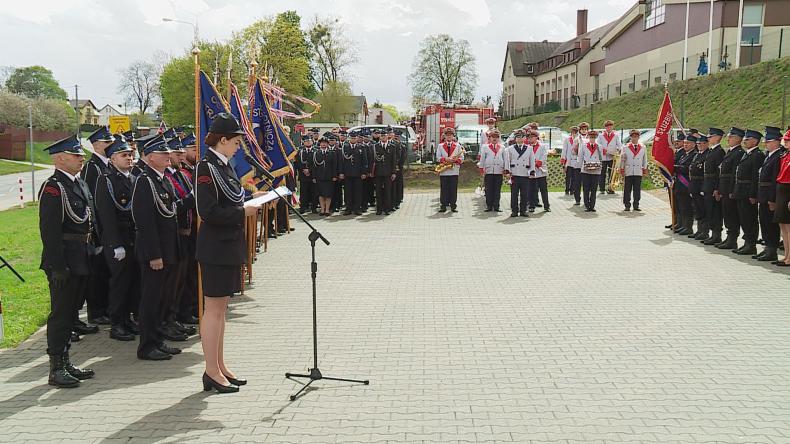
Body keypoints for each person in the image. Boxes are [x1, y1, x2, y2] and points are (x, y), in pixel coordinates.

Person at [195, 113, 261, 393]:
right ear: (221, 140)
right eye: (235, 141)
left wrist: (249, 199)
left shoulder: (223, 165)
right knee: (213, 311)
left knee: (221, 311)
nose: (238, 147)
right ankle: (210, 370)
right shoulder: (206, 168)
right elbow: (207, 211)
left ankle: (219, 365)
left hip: (228, 245)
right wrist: (241, 211)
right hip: (215, 247)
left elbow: (231, 197)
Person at [39, 135, 96, 388]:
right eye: (76, 155)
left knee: (72, 313)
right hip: (63, 259)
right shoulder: (53, 187)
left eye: (81, 155)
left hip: (81, 255)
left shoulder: (79, 184)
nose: (81, 159)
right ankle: (56, 367)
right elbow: (49, 231)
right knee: (61, 314)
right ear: (60, 158)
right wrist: (58, 266)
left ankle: (66, 361)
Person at [132, 135, 182, 361]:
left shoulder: (163, 179)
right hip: (155, 252)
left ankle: (158, 339)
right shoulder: (145, 181)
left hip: (168, 248)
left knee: (162, 297)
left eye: (167, 153)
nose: (168, 157)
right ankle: (147, 346)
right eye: (163, 154)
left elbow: (172, 209)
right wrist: (154, 255)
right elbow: (145, 221)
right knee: (151, 299)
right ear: (150, 158)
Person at [95, 135, 139, 342]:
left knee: (131, 282)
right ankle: (117, 323)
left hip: (132, 237)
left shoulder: (131, 177)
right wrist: (115, 244)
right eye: (124, 155)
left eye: (130, 155)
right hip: (118, 239)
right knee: (120, 283)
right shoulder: (107, 180)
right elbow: (106, 215)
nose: (129, 158)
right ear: (112, 159)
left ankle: (128, 319)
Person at [77, 127, 114, 331]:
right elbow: (92, 199)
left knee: (105, 271)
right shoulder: (93, 166)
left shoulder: (105, 164)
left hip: (105, 226)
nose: (110, 145)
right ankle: (96, 311)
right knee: (98, 272)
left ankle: (105, 308)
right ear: (96, 144)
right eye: (106, 142)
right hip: (98, 227)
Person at [731, 129, 765, 255]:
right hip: (740, 190)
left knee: (750, 219)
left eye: (747, 139)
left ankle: (751, 244)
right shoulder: (747, 154)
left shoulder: (757, 155)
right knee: (743, 218)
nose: (744, 141)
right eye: (744, 139)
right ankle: (747, 242)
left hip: (748, 192)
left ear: (755, 141)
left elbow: (755, 177)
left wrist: (753, 194)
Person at [755, 126, 786, 261]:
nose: (766, 144)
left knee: (770, 224)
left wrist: (772, 199)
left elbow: (774, 179)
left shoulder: (778, 156)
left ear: (777, 142)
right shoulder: (769, 156)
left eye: (768, 141)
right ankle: (768, 247)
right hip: (763, 194)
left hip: (770, 196)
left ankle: (772, 249)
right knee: (764, 222)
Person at [715, 128, 745, 250]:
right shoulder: (730, 152)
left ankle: (732, 239)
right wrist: (719, 188)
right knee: (727, 214)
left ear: (738, 138)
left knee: (732, 215)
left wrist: (733, 190)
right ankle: (729, 238)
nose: (728, 139)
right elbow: (722, 172)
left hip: (730, 190)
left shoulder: (738, 153)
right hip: (724, 188)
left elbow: (734, 174)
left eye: (731, 137)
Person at [701, 128, 726, 245]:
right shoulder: (711, 151)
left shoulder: (719, 152)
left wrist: (717, 188)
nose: (708, 138)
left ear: (717, 137)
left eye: (710, 137)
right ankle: (713, 234)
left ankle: (717, 235)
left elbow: (719, 172)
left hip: (713, 184)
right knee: (710, 210)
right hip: (708, 184)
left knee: (715, 211)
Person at [503, 129, 534, 217]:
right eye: (518, 137)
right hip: (515, 174)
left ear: (525, 138)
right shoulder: (510, 149)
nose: (520, 139)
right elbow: (507, 161)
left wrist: (532, 172)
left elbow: (532, 161)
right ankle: (514, 211)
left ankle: (523, 210)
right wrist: (507, 171)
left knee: (525, 194)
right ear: (515, 139)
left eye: (522, 137)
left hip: (525, 173)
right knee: (514, 194)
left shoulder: (529, 148)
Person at [339, 130, 369, 215]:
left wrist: (364, 172)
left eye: (354, 138)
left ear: (357, 138)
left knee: (358, 192)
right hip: (347, 173)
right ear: (349, 138)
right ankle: (348, 208)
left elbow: (365, 161)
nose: (353, 139)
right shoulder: (345, 147)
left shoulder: (361, 147)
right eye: (352, 138)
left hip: (358, 174)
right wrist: (341, 172)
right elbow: (342, 161)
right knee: (348, 192)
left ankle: (357, 208)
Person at [673, 135, 697, 235]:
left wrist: (674, 167)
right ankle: (682, 224)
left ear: (694, 144)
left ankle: (688, 227)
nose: (685, 145)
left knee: (687, 207)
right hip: (679, 185)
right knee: (680, 206)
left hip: (686, 185)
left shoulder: (693, 155)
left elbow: (686, 168)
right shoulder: (684, 155)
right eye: (685, 143)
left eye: (688, 143)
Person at [436, 127, 463, 213]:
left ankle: (453, 206)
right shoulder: (440, 146)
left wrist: (455, 160)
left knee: (453, 189)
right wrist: (445, 159)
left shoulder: (458, 146)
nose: (448, 137)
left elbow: (462, 158)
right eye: (447, 135)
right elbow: (437, 158)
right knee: (444, 188)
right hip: (444, 171)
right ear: (444, 136)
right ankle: (443, 205)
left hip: (454, 170)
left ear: (453, 136)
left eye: (450, 135)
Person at [773, 129, 790, 266]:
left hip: (788, 191)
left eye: (788, 140)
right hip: (781, 190)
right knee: (782, 225)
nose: (786, 142)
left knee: (789, 226)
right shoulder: (785, 155)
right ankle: (786, 255)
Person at [620, 129, 648, 211]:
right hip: (628, 170)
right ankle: (627, 205)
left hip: (638, 170)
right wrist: (622, 168)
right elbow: (622, 159)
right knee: (627, 189)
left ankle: (636, 204)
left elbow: (645, 159)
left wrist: (644, 168)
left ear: (639, 137)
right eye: (633, 137)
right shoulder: (625, 147)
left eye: (636, 137)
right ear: (630, 137)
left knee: (637, 189)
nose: (634, 138)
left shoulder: (643, 147)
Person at [478, 128, 505, 212]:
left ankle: (496, 206)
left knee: (497, 190)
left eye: (496, 137)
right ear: (489, 138)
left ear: (499, 138)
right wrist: (482, 169)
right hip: (489, 171)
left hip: (498, 171)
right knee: (488, 189)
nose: (494, 138)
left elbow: (505, 159)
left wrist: (506, 169)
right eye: (492, 137)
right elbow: (482, 159)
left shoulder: (502, 147)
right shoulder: (485, 147)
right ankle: (489, 206)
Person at [688, 134, 710, 240]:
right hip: (694, 185)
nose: (699, 145)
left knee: (703, 209)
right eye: (698, 144)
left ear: (707, 144)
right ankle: (699, 230)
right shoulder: (697, 155)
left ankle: (704, 231)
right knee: (697, 209)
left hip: (701, 185)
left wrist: (703, 188)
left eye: (701, 143)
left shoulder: (707, 155)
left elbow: (704, 173)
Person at [311, 137, 339, 216]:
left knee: (328, 194)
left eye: (325, 143)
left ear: (327, 144)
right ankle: (322, 209)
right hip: (319, 177)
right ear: (320, 144)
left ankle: (327, 210)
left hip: (329, 177)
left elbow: (334, 165)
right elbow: (314, 166)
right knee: (321, 194)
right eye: (322, 143)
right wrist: (314, 177)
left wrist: (334, 176)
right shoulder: (316, 153)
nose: (323, 144)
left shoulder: (332, 153)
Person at [372, 129, 398, 215]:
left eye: (385, 136)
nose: (383, 137)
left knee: (387, 191)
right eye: (382, 136)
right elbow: (374, 160)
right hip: (378, 172)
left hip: (388, 172)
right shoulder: (375, 146)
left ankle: (387, 208)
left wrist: (394, 172)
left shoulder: (392, 146)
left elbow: (393, 161)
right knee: (378, 192)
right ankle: (379, 209)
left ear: (388, 136)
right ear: (380, 137)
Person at [597, 120, 622, 194]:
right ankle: (602, 188)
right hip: (604, 157)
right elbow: (598, 145)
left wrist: (620, 150)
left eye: (610, 126)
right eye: (607, 126)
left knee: (612, 173)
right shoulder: (601, 135)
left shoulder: (616, 135)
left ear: (612, 127)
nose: (609, 127)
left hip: (612, 157)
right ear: (605, 127)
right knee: (602, 173)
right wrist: (604, 150)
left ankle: (610, 188)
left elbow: (619, 144)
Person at [528, 130, 550, 212]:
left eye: (533, 137)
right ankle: (531, 205)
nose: (531, 139)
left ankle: (546, 206)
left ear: (536, 137)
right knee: (531, 189)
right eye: (530, 137)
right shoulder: (527, 147)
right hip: (531, 171)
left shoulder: (542, 146)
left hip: (541, 170)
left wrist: (537, 162)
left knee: (543, 189)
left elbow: (544, 156)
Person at [294, 136, 315, 214]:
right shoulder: (299, 151)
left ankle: (313, 208)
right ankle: (302, 207)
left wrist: (309, 170)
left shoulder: (315, 150)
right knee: (303, 192)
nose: (308, 142)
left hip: (313, 175)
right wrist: (303, 170)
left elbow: (316, 163)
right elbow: (297, 163)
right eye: (306, 141)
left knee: (313, 192)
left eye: (309, 141)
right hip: (303, 175)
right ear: (303, 142)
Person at [561, 125, 580, 197]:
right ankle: (566, 189)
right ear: (571, 132)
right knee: (568, 177)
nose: (574, 133)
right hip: (568, 161)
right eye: (573, 132)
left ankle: (572, 190)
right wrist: (563, 160)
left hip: (576, 161)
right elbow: (564, 150)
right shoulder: (567, 139)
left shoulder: (579, 140)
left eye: (576, 132)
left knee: (574, 177)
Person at [391, 128, 407, 210]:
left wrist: (398, 165)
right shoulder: (391, 145)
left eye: (398, 136)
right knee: (392, 186)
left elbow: (403, 157)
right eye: (395, 136)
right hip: (391, 168)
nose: (396, 138)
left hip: (398, 168)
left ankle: (398, 200)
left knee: (398, 185)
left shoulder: (402, 146)